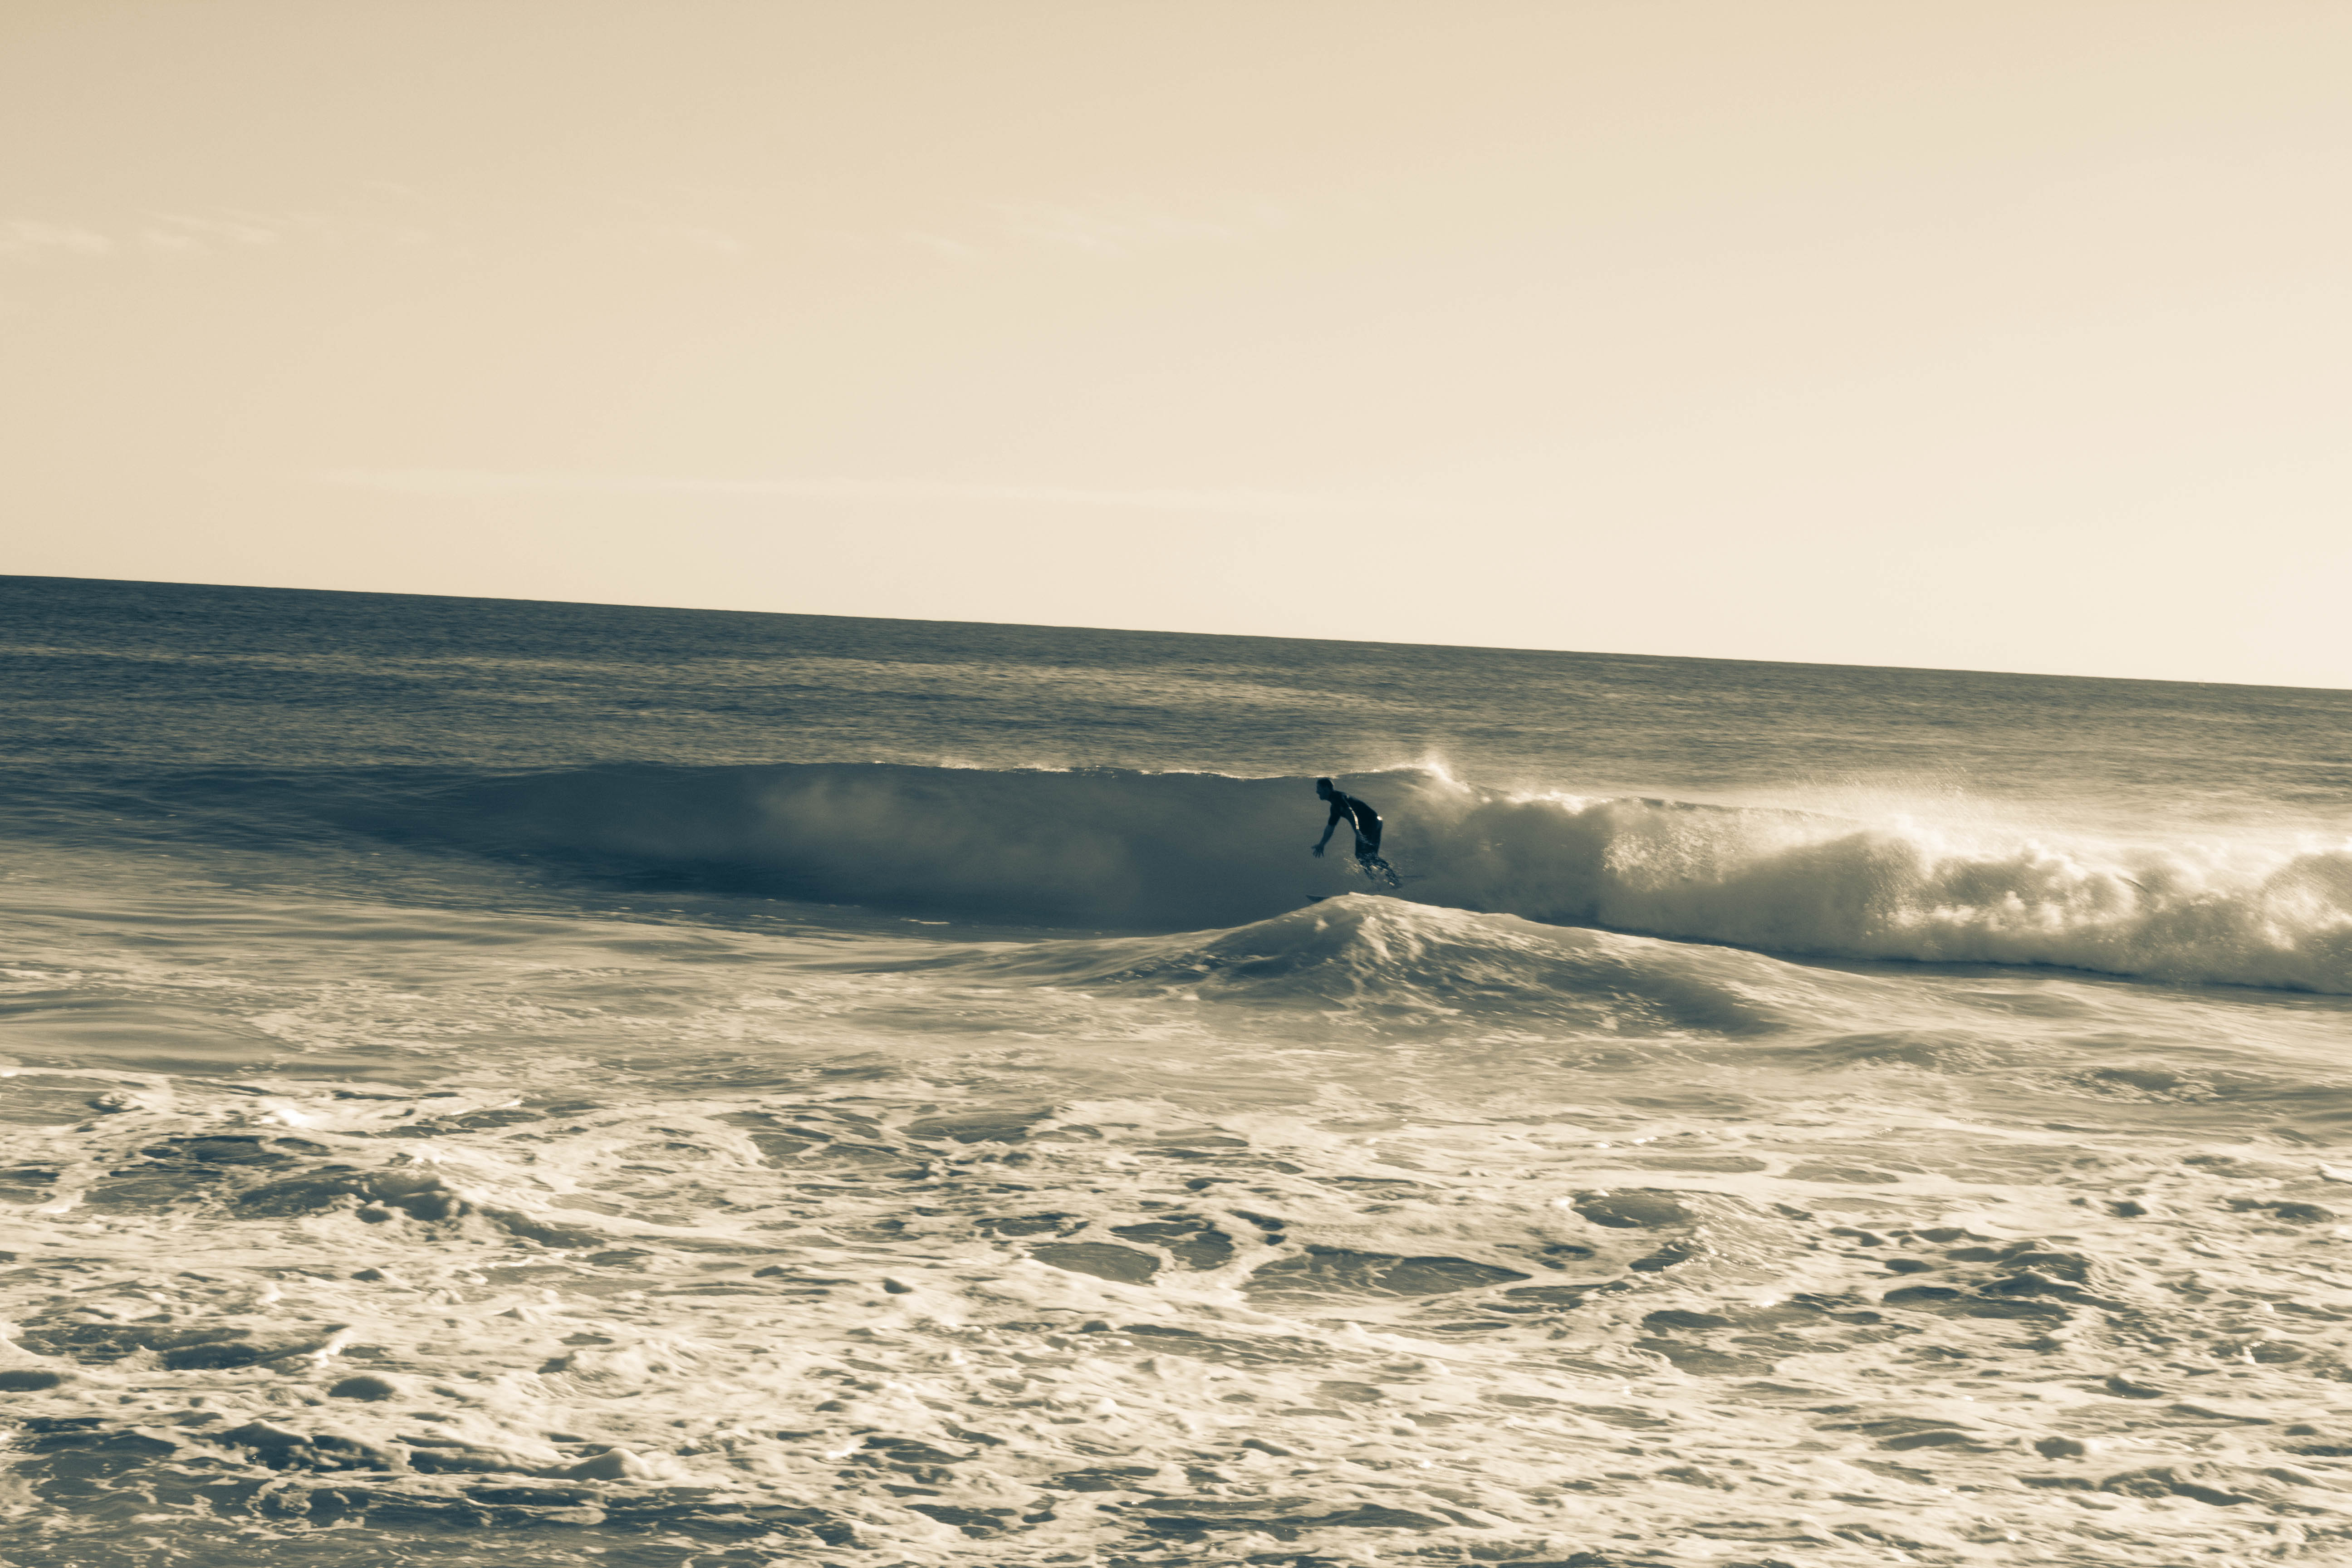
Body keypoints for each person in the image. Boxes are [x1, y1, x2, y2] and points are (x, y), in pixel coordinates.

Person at [1313, 778, 1398, 884]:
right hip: (1375, 822)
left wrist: (1357, 832)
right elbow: (1330, 828)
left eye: (1318, 788)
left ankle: (1383, 881)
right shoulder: (1334, 807)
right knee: (1368, 856)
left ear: (1326, 789)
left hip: (1370, 824)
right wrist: (1322, 844)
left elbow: (1350, 812)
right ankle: (1383, 880)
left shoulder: (1338, 798)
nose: (1317, 792)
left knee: (1362, 855)